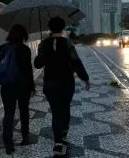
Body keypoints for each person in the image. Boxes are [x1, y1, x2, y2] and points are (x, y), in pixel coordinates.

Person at [34, 17, 91, 156]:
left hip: (50, 83)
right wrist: (85, 78)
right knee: (65, 108)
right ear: (63, 28)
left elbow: (38, 64)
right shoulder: (67, 43)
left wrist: (40, 53)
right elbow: (76, 61)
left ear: (50, 28)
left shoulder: (43, 44)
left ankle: (58, 143)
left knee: (56, 111)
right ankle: (63, 131)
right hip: (66, 82)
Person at [0, 24, 35, 155]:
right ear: (23, 36)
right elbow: (28, 70)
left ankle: (8, 145)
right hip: (22, 86)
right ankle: (25, 137)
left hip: (7, 86)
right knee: (24, 111)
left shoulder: (3, 48)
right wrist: (31, 86)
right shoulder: (25, 49)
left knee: (8, 113)